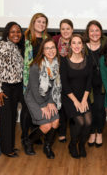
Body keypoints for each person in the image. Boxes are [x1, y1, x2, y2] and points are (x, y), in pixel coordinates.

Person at [0, 22, 24, 158]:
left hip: (14, 86)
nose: (16, 34)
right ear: (7, 33)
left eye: (18, 32)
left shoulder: (15, 47)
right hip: (1, 87)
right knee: (6, 118)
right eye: (13, 32)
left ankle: (10, 145)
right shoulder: (0, 47)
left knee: (12, 116)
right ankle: (6, 149)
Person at [24, 38, 61, 159]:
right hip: (34, 98)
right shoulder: (36, 66)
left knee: (55, 122)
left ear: (56, 49)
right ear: (43, 51)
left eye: (53, 47)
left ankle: (47, 146)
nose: (50, 50)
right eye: (47, 48)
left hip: (48, 97)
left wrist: (50, 102)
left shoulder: (56, 64)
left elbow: (54, 87)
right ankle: (28, 141)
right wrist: (43, 105)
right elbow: (34, 89)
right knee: (46, 126)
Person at [21, 13, 50, 155]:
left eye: (44, 22)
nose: (41, 24)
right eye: (39, 21)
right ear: (33, 23)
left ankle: (35, 134)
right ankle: (25, 139)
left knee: (39, 109)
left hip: (43, 80)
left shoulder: (47, 40)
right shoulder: (25, 39)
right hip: (29, 80)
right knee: (27, 111)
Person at [60, 34, 92, 158]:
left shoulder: (88, 59)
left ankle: (81, 145)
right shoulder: (64, 60)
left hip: (84, 96)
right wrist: (75, 102)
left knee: (88, 122)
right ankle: (72, 144)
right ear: (70, 45)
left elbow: (89, 81)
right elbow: (65, 84)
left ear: (83, 45)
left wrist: (84, 100)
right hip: (69, 97)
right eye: (74, 43)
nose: (77, 45)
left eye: (79, 43)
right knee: (79, 121)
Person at [84, 20, 107, 147]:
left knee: (100, 109)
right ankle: (92, 132)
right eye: (92, 30)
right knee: (90, 109)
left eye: (97, 30)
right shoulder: (83, 46)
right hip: (88, 85)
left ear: (101, 32)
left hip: (103, 84)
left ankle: (99, 132)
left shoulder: (106, 45)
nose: (94, 33)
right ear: (88, 32)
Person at [53, 19, 74, 143]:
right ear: (60, 30)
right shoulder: (55, 41)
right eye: (63, 29)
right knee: (60, 106)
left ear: (72, 29)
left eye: (68, 28)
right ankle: (61, 132)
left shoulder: (77, 41)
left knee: (71, 106)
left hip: (73, 78)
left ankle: (73, 132)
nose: (65, 31)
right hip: (57, 79)